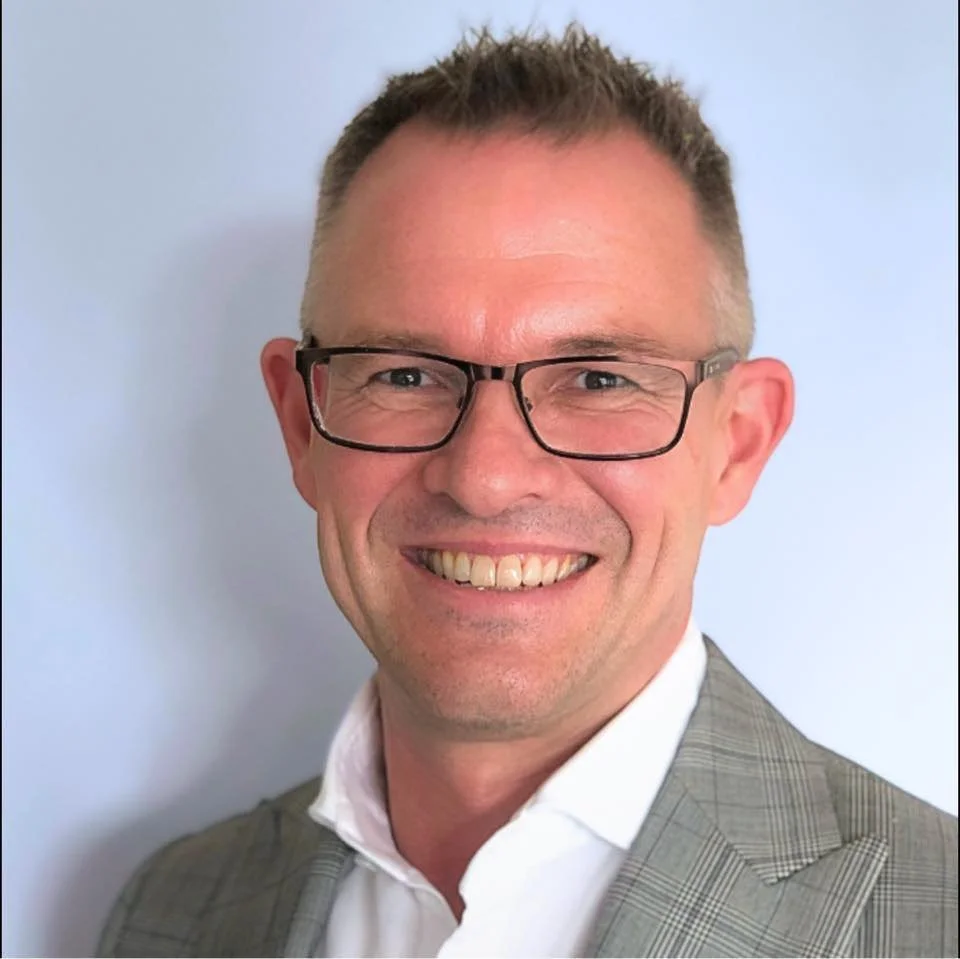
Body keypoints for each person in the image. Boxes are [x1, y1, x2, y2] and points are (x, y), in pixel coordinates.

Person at [98, 24, 957, 959]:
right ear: (300, 423)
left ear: (738, 443)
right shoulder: (169, 914)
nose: (486, 477)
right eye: (404, 373)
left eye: (598, 379)